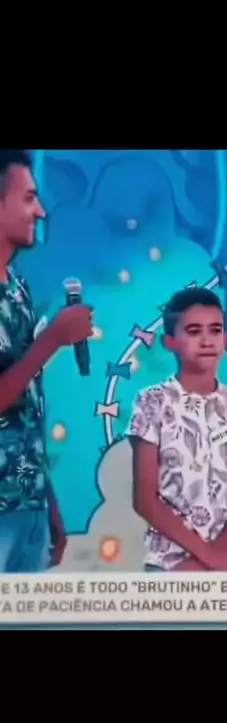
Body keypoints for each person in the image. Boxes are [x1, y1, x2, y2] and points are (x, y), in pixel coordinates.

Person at [127, 287, 227, 571]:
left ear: (225, 339)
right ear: (169, 342)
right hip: (169, 566)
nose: (206, 340)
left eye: (215, 330)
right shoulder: (153, 402)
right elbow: (145, 500)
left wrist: (218, 558)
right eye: (193, 331)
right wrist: (204, 557)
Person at [0, 150, 93, 573]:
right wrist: (53, 339)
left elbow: (26, 412)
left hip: (28, 508)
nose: (40, 211)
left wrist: (47, 501)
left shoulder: (18, 288)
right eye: (28, 198)